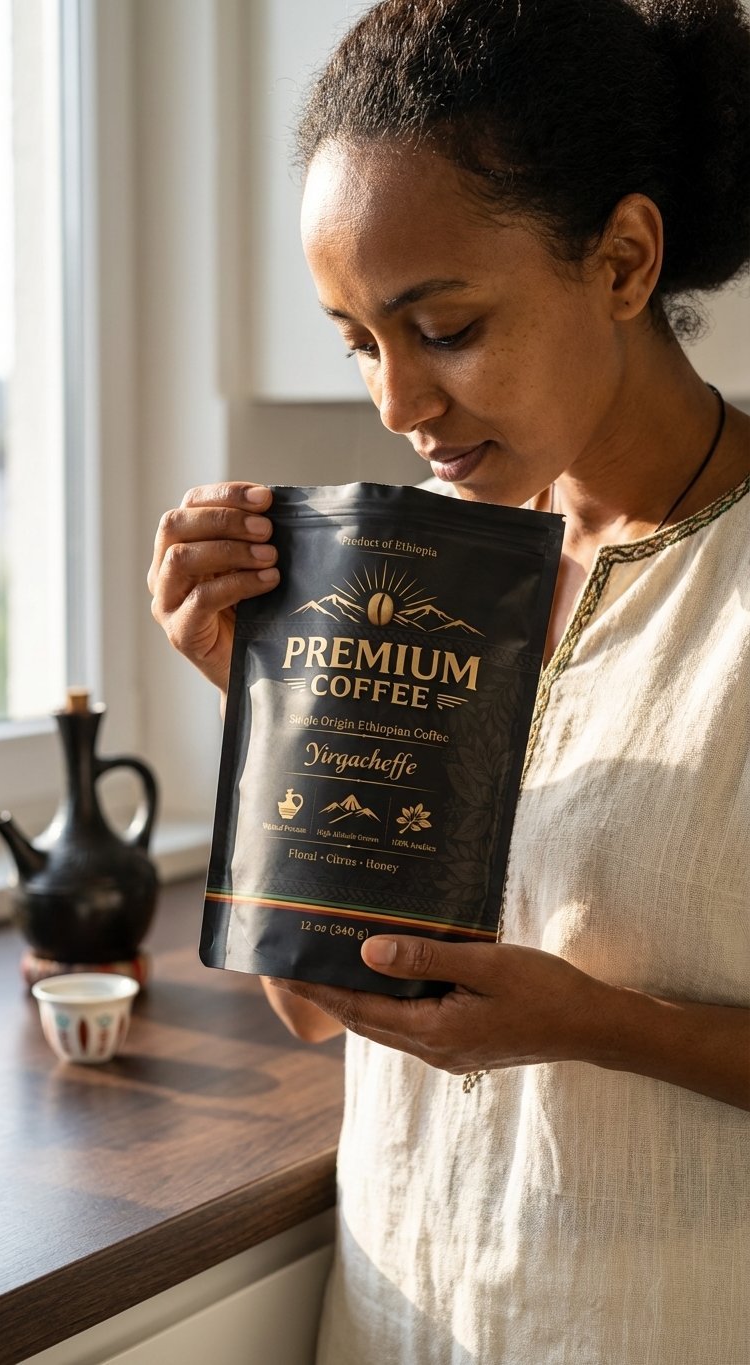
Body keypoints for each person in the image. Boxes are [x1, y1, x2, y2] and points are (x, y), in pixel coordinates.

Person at [147, 0, 750, 1359]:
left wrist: (603, 1027)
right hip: (397, 1313)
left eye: (447, 326)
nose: (397, 405)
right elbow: (317, 1001)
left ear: (624, 261)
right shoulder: (411, 570)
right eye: (361, 340)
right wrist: (273, 707)